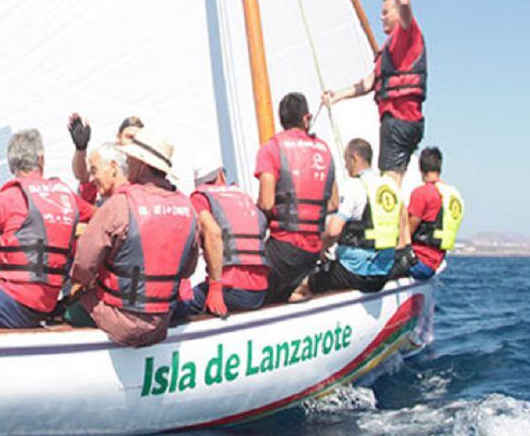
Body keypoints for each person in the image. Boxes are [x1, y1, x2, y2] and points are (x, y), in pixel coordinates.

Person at [65, 127, 199, 347]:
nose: (128, 162)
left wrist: (81, 284)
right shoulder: (187, 207)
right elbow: (188, 269)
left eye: (132, 158)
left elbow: (83, 264)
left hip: (121, 320)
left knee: (67, 312)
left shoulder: (120, 205)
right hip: (163, 319)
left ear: (142, 164)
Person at [0, 129, 94, 328]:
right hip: (46, 303)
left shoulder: (9, 197)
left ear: (11, 164)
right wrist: (76, 228)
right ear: (40, 159)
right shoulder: (65, 194)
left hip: (14, 303)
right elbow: (101, 217)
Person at [322, 0, 426, 185]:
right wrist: (336, 96)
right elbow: (369, 83)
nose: (381, 17)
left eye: (385, 13)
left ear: (397, 14)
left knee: (389, 183)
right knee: (392, 181)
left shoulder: (407, 35)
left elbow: (405, 2)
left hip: (399, 119)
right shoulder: (389, 52)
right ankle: (397, 221)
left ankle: (391, 223)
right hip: (402, 120)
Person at [255, 92, 338, 303]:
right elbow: (334, 203)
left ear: (281, 119)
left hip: (284, 248)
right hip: (314, 249)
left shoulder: (271, 148)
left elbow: (266, 203)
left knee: (248, 287)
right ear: (306, 118)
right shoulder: (324, 150)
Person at [301, 138, 400, 296]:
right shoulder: (390, 186)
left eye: (346, 160)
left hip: (356, 272)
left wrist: (315, 249)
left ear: (355, 158)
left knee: (300, 286)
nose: (346, 166)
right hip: (383, 272)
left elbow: (333, 231)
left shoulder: (353, 185)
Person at [174, 163, 270, 320]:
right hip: (260, 290)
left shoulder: (200, 198)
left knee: (177, 308)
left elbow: (213, 233)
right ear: (221, 175)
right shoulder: (242, 195)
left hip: (231, 289)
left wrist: (215, 288)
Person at [407, 146, 464, 280]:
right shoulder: (453, 195)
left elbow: (407, 232)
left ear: (420, 168)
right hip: (436, 262)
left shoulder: (422, 193)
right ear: (440, 168)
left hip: (419, 263)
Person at [68, 114, 143, 205]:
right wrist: (80, 148)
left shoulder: (147, 169)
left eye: (139, 139)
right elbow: (83, 177)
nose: (133, 143)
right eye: (130, 137)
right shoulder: (105, 157)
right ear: (119, 136)